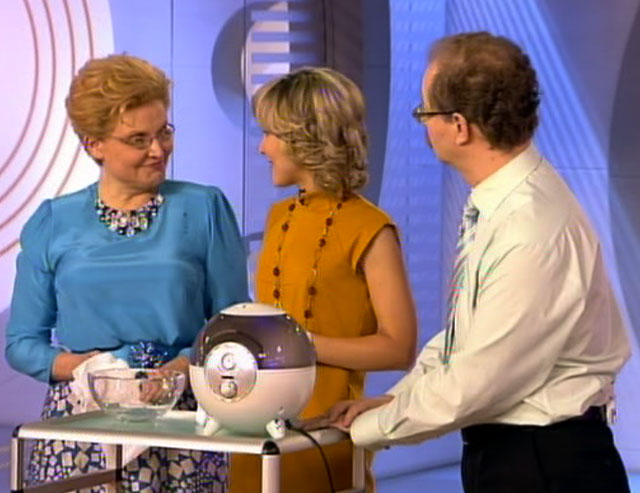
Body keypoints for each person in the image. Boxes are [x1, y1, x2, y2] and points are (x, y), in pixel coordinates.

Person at [313, 32, 632, 493]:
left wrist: (367, 429)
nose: (424, 126)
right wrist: (393, 402)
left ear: (459, 126)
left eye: (425, 113)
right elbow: (465, 339)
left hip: (543, 462)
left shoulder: (529, 225)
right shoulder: (502, 203)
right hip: (514, 453)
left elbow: (482, 378)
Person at [5, 54, 249, 492]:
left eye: (164, 132)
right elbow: (22, 344)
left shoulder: (204, 208)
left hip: (181, 423)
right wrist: (89, 370)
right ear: (94, 144)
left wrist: (180, 368)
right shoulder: (53, 221)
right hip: (83, 426)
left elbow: (232, 326)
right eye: (139, 139)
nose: (158, 150)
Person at [228, 67, 417, 493]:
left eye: (270, 134)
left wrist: (302, 345)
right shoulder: (278, 217)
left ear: (304, 137)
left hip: (325, 437)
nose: (262, 147)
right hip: (257, 433)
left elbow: (399, 347)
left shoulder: (371, 228)